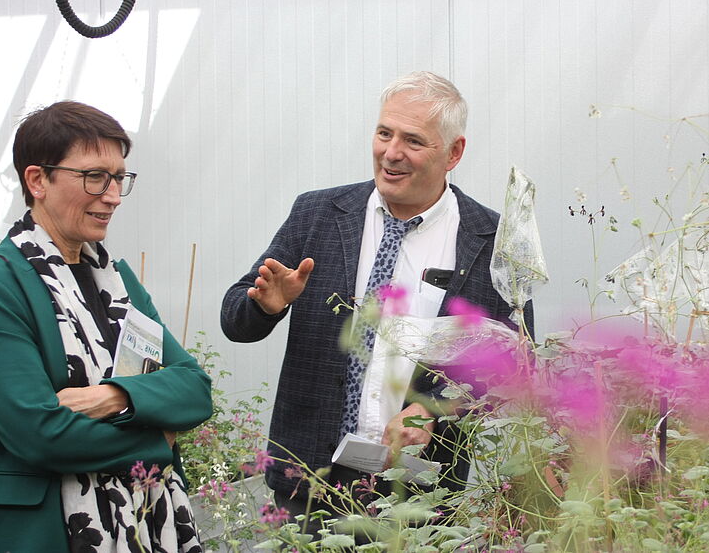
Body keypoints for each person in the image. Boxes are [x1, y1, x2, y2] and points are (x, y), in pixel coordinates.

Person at [220, 71, 533, 514]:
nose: (391, 153)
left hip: (421, 498)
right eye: (384, 133)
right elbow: (234, 320)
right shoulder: (318, 214)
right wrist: (264, 305)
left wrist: (436, 409)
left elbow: (517, 362)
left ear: (454, 152)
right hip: (308, 484)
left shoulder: (492, 239)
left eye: (413, 141)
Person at [0, 101, 213, 552]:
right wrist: (158, 438)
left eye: (119, 178)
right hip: (43, 531)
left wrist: (114, 396)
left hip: (142, 521)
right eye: (95, 176)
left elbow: (194, 388)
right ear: (37, 180)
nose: (113, 195)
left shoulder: (115, 279)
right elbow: (41, 436)